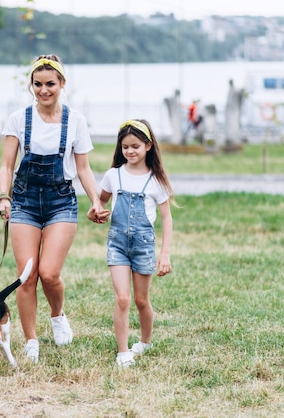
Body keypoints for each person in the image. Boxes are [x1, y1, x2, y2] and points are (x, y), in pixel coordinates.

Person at [0, 54, 105, 363]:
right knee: (26, 276)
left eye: (50, 84)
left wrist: (96, 201)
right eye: (38, 84)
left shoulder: (76, 121)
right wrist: (4, 197)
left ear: (62, 84)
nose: (44, 90)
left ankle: (57, 315)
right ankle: (31, 340)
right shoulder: (19, 119)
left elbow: (83, 169)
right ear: (32, 85)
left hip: (61, 202)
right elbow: (6, 165)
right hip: (25, 201)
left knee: (49, 273)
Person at [87, 119, 174, 368]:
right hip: (117, 245)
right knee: (122, 298)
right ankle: (123, 352)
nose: (129, 151)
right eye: (125, 147)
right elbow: (99, 204)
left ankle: (145, 341)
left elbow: (167, 218)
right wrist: (96, 213)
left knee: (141, 301)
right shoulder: (113, 175)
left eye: (135, 146)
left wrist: (164, 253)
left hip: (144, 246)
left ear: (148, 146)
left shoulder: (156, 181)